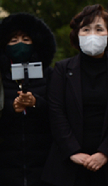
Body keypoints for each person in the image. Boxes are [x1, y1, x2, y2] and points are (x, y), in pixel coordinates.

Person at [43, 4, 108, 186]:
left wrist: (105, 152)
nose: (92, 35)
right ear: (77, 34)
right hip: (68, 164)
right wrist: (73, 151)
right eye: (86, 29)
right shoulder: (62, 69)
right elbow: (56, 112)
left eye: (99, 29)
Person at [0, 13, 56, 186]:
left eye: (26, 39)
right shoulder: (1, 77)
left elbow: (59, 112)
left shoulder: (50, 74)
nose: (20, 44)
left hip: (43, 164)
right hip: (6, 164)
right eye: (13, 40)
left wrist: (36, 103)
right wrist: (11, 107)